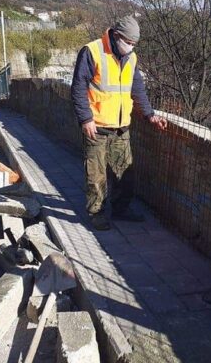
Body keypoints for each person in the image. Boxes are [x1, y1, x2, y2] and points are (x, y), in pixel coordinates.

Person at [70, 15, 168, 231]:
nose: (131, 47)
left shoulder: (131, 58)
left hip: (121, 127)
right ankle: (97, 213)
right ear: (116, 36)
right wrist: (85, 119)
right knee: (96, 174)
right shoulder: (92, 51)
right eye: (128, 42)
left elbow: (137, 89)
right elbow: (78, 87)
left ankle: (121, 209)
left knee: (125, 173)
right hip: (96, 125)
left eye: (134, 44)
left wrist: (150, 114)